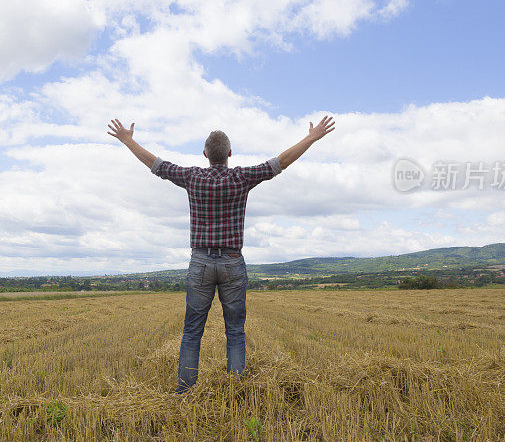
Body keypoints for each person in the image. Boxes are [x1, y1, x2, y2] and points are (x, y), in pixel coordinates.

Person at [107, 116, 336, 393]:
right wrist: (311, 138)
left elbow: (158, 166)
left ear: (205, 154)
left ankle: (185, 392)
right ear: (229, 153)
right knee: (235, 331)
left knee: (192, 332)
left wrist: (128, 140)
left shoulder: (193, 177)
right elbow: (279, 163)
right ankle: (235, 390)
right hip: (232, 262)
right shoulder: (241, 177)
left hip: (200, 262)